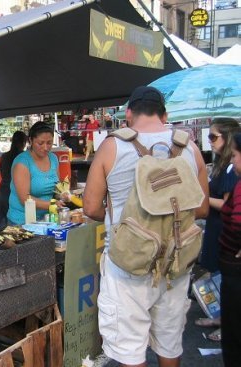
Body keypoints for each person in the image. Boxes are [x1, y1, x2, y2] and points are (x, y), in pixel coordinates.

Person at [83, 86, 209, 367]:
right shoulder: (189, 147)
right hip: (175, 263)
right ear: (164, 115)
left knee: (130, 349)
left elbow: (90, 208)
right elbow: (201, 208)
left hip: (128, 266)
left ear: (128, 114)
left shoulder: (112, 146)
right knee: (169, 342)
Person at [195, 118, 240, 340]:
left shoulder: (231, 169)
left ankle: (228, 325)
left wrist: (201, 199)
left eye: (213, 136)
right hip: (216, 227)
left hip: (225, 229)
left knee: (226, 279)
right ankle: (221, 318)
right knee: (217, 274)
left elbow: (227, 205)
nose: (210, 141)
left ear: (227, 137)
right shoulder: (222, 165)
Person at [7, 121, 62, 225]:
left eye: (49, 143)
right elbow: (24, 199)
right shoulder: (22, 162)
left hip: (47, 218)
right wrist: (51, 205)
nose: (45, 147)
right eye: (40, 143)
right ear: (31, 141)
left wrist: (62, 195)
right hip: (22, 221)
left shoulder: (53, 158)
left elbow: (57, 187)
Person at [219, 131, 241, 367]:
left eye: (235, 155)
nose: (233, 160)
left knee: (234, 335)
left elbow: (237, 221)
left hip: (235, 269)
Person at [0, 131, 27, 229]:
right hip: (16, 193)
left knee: (3, 223)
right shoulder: (24, 157)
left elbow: (2, 172)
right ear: (24, 142)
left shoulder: (5, 156)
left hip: (4, 191)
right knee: (16, 227)